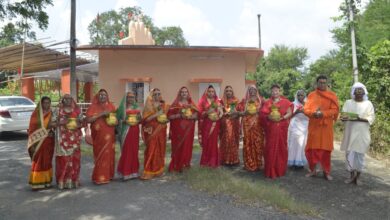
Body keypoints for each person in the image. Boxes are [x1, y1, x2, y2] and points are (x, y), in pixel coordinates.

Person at [304, 75, 339, 181]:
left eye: (324, 82)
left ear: (327, 83)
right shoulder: (311, 95)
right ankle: (313, 170)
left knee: (325, 151)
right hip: (314, 125)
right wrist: (313, 113)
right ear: (317, 83)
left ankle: (326, 172)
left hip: (326, 127)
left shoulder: (332, 95)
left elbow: (335, 110)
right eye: (320, 82)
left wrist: (323, 114)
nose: (322, 84)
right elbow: (306, 109)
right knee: (312, 150)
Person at [340, 82, 375, 185]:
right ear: (353, 93)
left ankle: (358, 177)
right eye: (357, 92)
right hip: (350, 132)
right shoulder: (348, 102)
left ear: (364, 93)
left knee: (360, 155)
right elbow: (343, 116)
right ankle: (351, 176)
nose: (359, 94)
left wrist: (359, 118)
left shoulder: (368, 104)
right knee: (349, 153)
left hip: (362, 133)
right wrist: (345, 117)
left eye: (361, 92)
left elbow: (371, 118)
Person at [261, 85, 292, 178]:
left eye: (276, 91)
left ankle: (280, 169)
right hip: (271, 128)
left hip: (281, 127)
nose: (275, 92)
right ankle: (270, 169)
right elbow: (263, 114)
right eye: (273, 91)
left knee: (281, 147)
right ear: (271, 92)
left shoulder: (286, 102)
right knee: (270, 147)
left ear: (280, 91)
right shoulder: (268, 103)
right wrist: (268, 117)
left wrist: (282, 118)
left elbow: (290, 112)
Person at [85, 89, 116, 184]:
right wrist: (101, 114)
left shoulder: (111, 106)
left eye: (104, 95)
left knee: (109, 154)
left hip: (110, 135)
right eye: (101, 95)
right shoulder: (93, 107)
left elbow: (115, 119)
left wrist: (115, 121)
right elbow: (88, 120)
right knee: (100, 155)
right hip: (99, 137)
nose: (102, 96)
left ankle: (109, 175)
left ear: (107, 96)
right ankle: (99, 177)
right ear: (98, 96)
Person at [55, 94, 83, 189]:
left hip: (75, 139)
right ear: (62, 100)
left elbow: (83, 122)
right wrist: (61, 123)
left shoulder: (77, 110)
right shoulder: (58, 111)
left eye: (70, 98)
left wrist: (78, 124)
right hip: (63, 139)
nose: (68, 100)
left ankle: (74, 180)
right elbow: (51, 123)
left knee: (75, 160)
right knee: (64, 161)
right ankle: (62, 181)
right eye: (66, 99)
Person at [168, 86, 198, 172]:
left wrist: (191, 116)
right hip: (177, 130)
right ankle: (177, 164)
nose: (184, 93)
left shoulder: (191, 104)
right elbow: (169, 116)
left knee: (187, 145)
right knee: (177, 145)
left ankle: (185, 163)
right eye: (182, 92)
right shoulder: (175, 105)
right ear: (179, 94)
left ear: (188, 94)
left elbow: (197, 115)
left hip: (188, 129)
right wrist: (179, 115)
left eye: (186, 92)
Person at [27, 96, 55, 190]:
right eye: (45, 103)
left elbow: (53, 126)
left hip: (49, 140)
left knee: (47, 160)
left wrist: (53, 127)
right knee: (38, 161)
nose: (46, 104)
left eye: (48, 103)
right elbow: (33, 127)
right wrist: (49, 125)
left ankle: (46, 181)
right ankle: (36, 182)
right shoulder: (36, 114)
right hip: (38, 141)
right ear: (41, 104)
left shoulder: (52, 113)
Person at [141, 88, 169, 180]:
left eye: (159, 94)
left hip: (161, 131)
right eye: (155, 94)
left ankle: (158, 170)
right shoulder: (148, 105)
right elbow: (145, 120)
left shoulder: (163, 105)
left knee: (161, 149)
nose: (157, 96)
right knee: (151, 149)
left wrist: (165, 119)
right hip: (151, 131)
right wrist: (157, 114)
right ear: (152, 96)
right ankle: (148, 171)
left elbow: (167, 117)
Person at [238, 85, 264, 171]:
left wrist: (258, 111)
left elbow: (265, 112)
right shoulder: (244, 101)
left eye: (254, 89)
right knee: (248, 142)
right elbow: (239, 113)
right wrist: (245, 112)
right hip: (247, 124)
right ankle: (249, 163)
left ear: (256, 90)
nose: (252, 91)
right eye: (250, 89)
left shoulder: (261, 100)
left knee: (258, 142)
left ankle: (258, 163)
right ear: (248, 91)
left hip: (258, 125)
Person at [116, 92, 142, 180]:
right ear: (126, 98)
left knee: (134, 150)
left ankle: (134, 172)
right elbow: (117, 120)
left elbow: (140, 119)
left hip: (135, 131)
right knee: (126, 151)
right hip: (125, 131)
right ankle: (125, 172)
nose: (131, 99)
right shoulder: (122, 108)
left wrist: (138, 119)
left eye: (132, 97)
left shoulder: (137, 107)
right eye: (129, 97)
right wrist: (124, 121)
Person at [198, 85, 223, 168]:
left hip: (215, 124)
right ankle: (205, 162)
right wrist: (208, 112)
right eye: (209, 91)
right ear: (206, 92)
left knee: (213, 143)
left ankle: (213, 162)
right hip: (206, 125)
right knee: (206, 142)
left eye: (212, 91)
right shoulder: (202, 101)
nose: (211, 93)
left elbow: (221, 113)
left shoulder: (218, 101)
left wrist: (218, 117)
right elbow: (200, 114)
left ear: (214, 92)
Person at [287, 90, 309, 170]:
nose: (300, 97)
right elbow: (289, 115)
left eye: (302, 95)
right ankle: (292, 162)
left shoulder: (308, 104)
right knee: (293, 144)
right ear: (296, 96)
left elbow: (311, 115)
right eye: (299, 95)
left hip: (305, 126)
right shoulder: (293, 104)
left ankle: (300, 162)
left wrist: (304, 112)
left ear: (304, 96)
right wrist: (296, 112)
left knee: (302, 144)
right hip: (295, 125)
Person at [220, 86, 241, 166]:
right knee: (227, 139)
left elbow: (239, 112)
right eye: (227, 91)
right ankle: (225, 159)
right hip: (225, 122)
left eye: (230, 91)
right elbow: (219, 113)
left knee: (234, 139)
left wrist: (234, 112)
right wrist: (224, 113)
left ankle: (234, 159)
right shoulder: (222, 101)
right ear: (225, 92)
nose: (228, 92)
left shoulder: (236, 101)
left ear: (232, 92)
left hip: (235, 122)